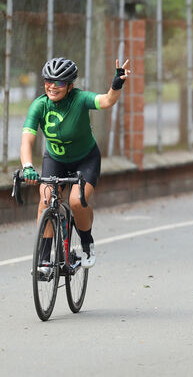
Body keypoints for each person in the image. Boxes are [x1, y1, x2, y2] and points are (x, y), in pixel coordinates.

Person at [21, 57, 131, 272]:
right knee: (45, 200)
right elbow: (27, 139)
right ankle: (44, 260)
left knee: (76, 202)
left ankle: (87, 243)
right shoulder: (39, 105)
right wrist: (27, 166)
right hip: (55, 159)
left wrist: (117, 83)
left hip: (86, 159)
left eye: (60, 83)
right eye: (48, 81)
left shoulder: (80, 99)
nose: (53, 86)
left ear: (70, 86)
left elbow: (107, 101)